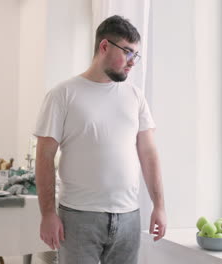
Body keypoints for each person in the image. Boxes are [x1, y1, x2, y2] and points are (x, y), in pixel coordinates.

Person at [33, 15, 166, 264]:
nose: (132, 63)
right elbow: (44, 156)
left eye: (135, 55)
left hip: (128, 217)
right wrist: (48, 213)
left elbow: (149, 154)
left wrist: (159, 206)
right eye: (127, 52)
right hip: (78, 217)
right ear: (104, 46)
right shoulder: (63, 95)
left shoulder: (135, 96)